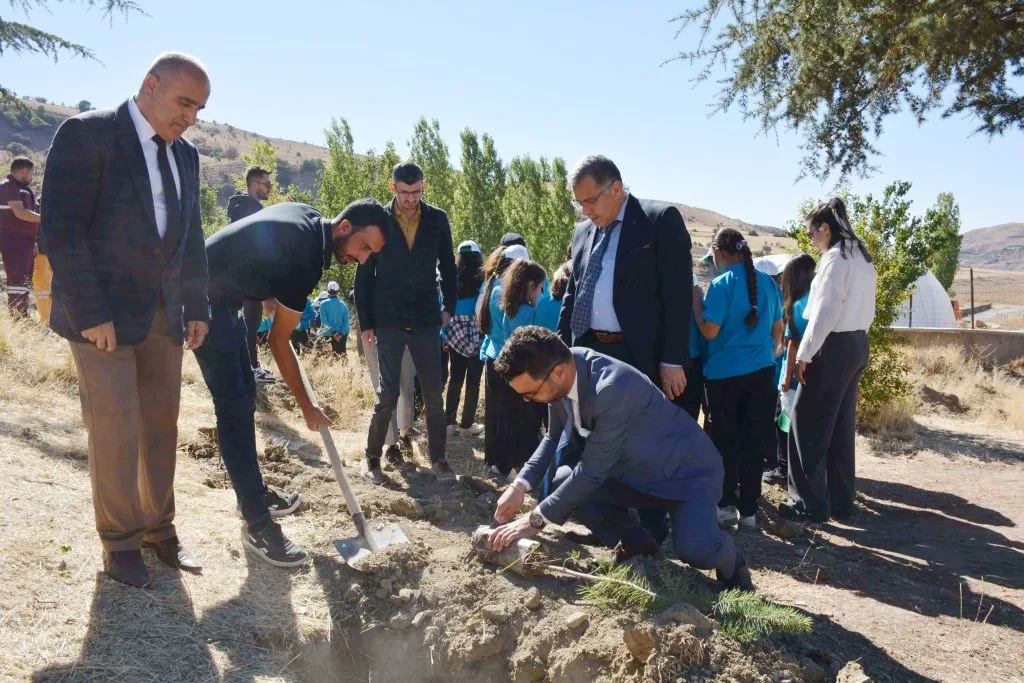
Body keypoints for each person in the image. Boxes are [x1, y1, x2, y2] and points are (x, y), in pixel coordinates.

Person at [40, 53, 212, 588]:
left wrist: (197, 305)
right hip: (101, 315)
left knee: (161, 422)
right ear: (151, 84)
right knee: (115, 425)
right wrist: (91, 312)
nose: (191, 118)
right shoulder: (87, 134)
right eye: (185, 103)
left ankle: (160, 529)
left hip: (164, 310)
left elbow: (192, 235)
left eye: (199, 109)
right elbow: (61, 229)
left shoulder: (187, 156)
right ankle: (120, 543)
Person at [489, 326, 754, 591]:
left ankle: (734, 563)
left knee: (696, 550)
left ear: (558, 372)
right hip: (634, 472)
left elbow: (591, 472)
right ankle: (639, 547)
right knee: (563, 482)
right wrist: (519, 486)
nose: (528, 400)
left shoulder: (612, 389)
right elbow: (553, 437)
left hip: (687, 475)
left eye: (530, 393)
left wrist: (534, 521)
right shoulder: (563, 369)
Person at [199, 198, 387, 567]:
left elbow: (263, 248)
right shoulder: (307, 259)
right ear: (345, 227)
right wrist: (307, 406)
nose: (363, 260)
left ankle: (253, 495)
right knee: (233, 407)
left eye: (371, 254)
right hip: (199, 300)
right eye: (364, 247)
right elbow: (278, 341)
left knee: (244, 396)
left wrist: (270, 292)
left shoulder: (309, 218)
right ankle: (257, 524)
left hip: (225, 298)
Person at [557, 155, 692, 405]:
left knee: (639, 427)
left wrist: (672, 359)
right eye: (579, 203)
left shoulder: (658, 221)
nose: (585, 211)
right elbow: (572, 294)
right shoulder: (582, 232)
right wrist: (561, 351)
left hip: (639, 356)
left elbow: (678, 295)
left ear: (616, 188)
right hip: (588, 353)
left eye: (591, 201)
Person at [355, 162, 457, 484]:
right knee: (387, 393)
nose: (410, 199)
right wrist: (366, 323)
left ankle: (439, 459)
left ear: (423, 186)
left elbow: (449, 266)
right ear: (393, 187)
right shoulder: (378, 220)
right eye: (404, 192)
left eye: (416, 192)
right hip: (388, 318)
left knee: (433, 393)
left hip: (426, 318)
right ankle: (372, 459)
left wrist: (449, 306)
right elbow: (364, 275)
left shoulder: (438, 219)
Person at [782, 199, 876, 523]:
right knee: (839, 428)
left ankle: (808, 504)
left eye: (812, 234)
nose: (812, 241)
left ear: (825, 228)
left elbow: (826, 311)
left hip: (833, 345)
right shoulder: (861, 256)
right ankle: (840, 502)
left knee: (804, 423)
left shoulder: (836, 258)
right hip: (857, 343)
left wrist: (804, 355)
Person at [692, 228, 783, 531]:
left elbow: (710, 331)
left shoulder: (721, 285)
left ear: (718, 252)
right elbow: (778, 330)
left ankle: (725, 505)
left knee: (725, 442)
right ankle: (749, 513)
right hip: (762, 373)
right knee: (753, 442)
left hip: (725, 376)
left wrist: (696, 304)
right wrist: (764, 351)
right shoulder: (768, 283)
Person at [765, 255, 816, 484]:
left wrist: (786, 378)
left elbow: (793, 343)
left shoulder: (797, 306)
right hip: (813, 375)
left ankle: (784, 469)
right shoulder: (816, 302)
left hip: (793, 379)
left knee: (783, 422)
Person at [228, 166, 277, 385]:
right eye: (267, 184)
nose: (270, 188)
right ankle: (251, 367)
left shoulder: (241, 207)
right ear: (255, 184)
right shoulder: (251, 210)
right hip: (248, 278)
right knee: (250, 322)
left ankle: (247, 365)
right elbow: (254, 248)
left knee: (247, 323)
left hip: (238, 276)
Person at [442, 240, 485, 436]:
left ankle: (449, 423)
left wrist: (443, 334)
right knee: (473, 381)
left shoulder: (451, 278)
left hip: (454, 332)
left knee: (455, 378)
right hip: (477, 331)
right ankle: (467, 425)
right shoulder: (484, 278)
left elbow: (444, 307)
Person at [0, 157, 41, 316]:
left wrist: (33, 243)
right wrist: (46, 218)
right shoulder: (8, 187)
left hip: (24, 241)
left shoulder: (20, 189)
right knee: (18, 279)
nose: (32, 177)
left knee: (23, 279)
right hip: (14, 241)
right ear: (22, 171)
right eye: (31, 173)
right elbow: (20, 213)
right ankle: (18, 316)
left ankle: (22, 315)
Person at [318, 280, 350, 354]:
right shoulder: (343, 304)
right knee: (341, 356)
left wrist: (334, 332)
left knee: (328, 357)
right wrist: (340, 334)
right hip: (341, 335)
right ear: (338, 291)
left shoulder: (323, 304)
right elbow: (346, 321)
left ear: (328, 291)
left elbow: (324, 321)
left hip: (327, 334)